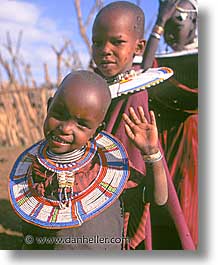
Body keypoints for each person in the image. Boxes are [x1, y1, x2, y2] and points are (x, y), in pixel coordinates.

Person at [9, 70, 168, 250]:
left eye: (82, 124)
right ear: (48, 106)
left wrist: (152, 154)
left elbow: (158, 199)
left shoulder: (108, 169)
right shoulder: (32, 169)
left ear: (96, 131)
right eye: (59, 114)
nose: (66, 128)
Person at [91, 1, 195, 249]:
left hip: (120, 197)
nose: (105, 50)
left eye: (116, 42)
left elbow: (133, 174)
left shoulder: (136, 90)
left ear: (138, 47)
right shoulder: (97, 85)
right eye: (97, 42)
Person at [142, 0, 198, 247]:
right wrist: (159, 23)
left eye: (177, 20)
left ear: (196, 21)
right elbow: (143, 74)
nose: (170, 31)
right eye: (165, 23)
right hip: (163, 141)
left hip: (191, 143)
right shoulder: (162, 61)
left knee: (188, 203)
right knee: (164, 202)